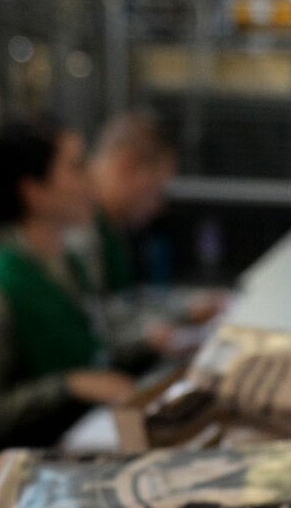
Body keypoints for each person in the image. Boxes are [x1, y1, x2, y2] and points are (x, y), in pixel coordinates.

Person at [0, 117, 138, 458]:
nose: (92, 180)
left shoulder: (72, 266)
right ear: (33, 191)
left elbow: (93, 346)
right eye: (77, 168)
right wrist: (68, 386)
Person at [69, 110, 226, 347]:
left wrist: (186, 307)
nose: (158, 206)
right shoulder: (78, 226)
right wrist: (147, 335)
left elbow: (125, 301)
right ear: (127, 166)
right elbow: (85, 325)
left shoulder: (109, 225)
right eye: (155, 190)